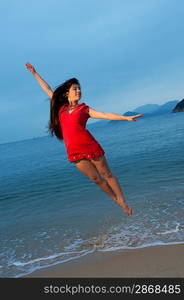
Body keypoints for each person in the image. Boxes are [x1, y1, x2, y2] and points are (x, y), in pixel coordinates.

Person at [25, 62, 142, 216]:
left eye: (79, 88)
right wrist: (35, 74)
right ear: (67, 93)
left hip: (90, 146)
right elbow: (47, 89)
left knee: (107, 175)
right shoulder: (60, 108)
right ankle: (117, 201)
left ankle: (122, 200)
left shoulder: (84, 109)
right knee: (96, 179)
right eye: (75, 88)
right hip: (74, 152)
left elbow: (105, 114)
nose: (78, 91)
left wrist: (125, 118)